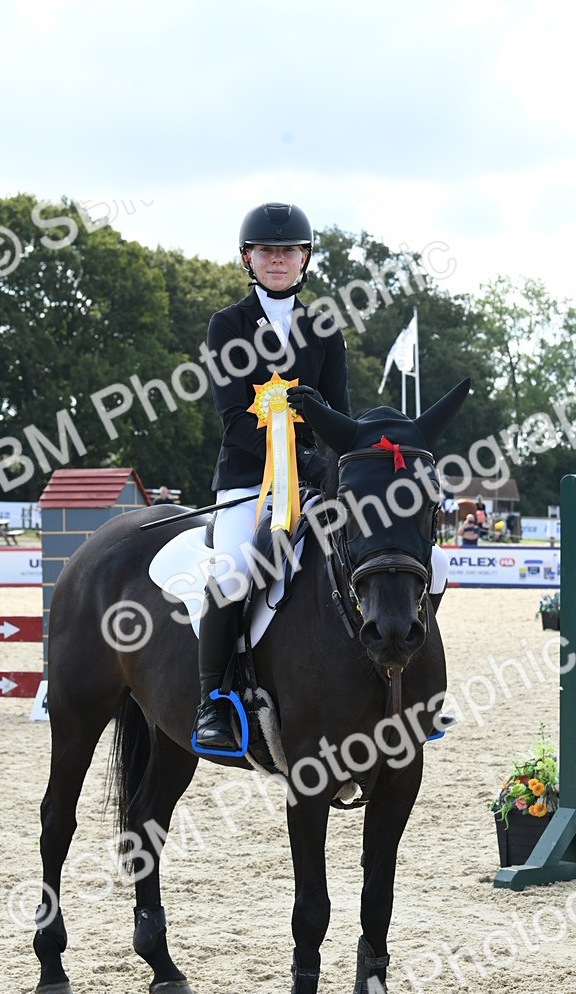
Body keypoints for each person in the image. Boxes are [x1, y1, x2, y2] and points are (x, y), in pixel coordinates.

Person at [192, 201, 352, 752]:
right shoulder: (228, 326)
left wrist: (328, 462)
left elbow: (339, 417)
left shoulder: (325, 329)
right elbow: (233, 419)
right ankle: (212, 701)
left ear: (304, 259)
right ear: (248, 258)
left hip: (311, 487)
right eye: (267, 251)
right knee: (237, 569)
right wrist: (295, 458)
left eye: (288, 251)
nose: (278, 260)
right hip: (244, 484)